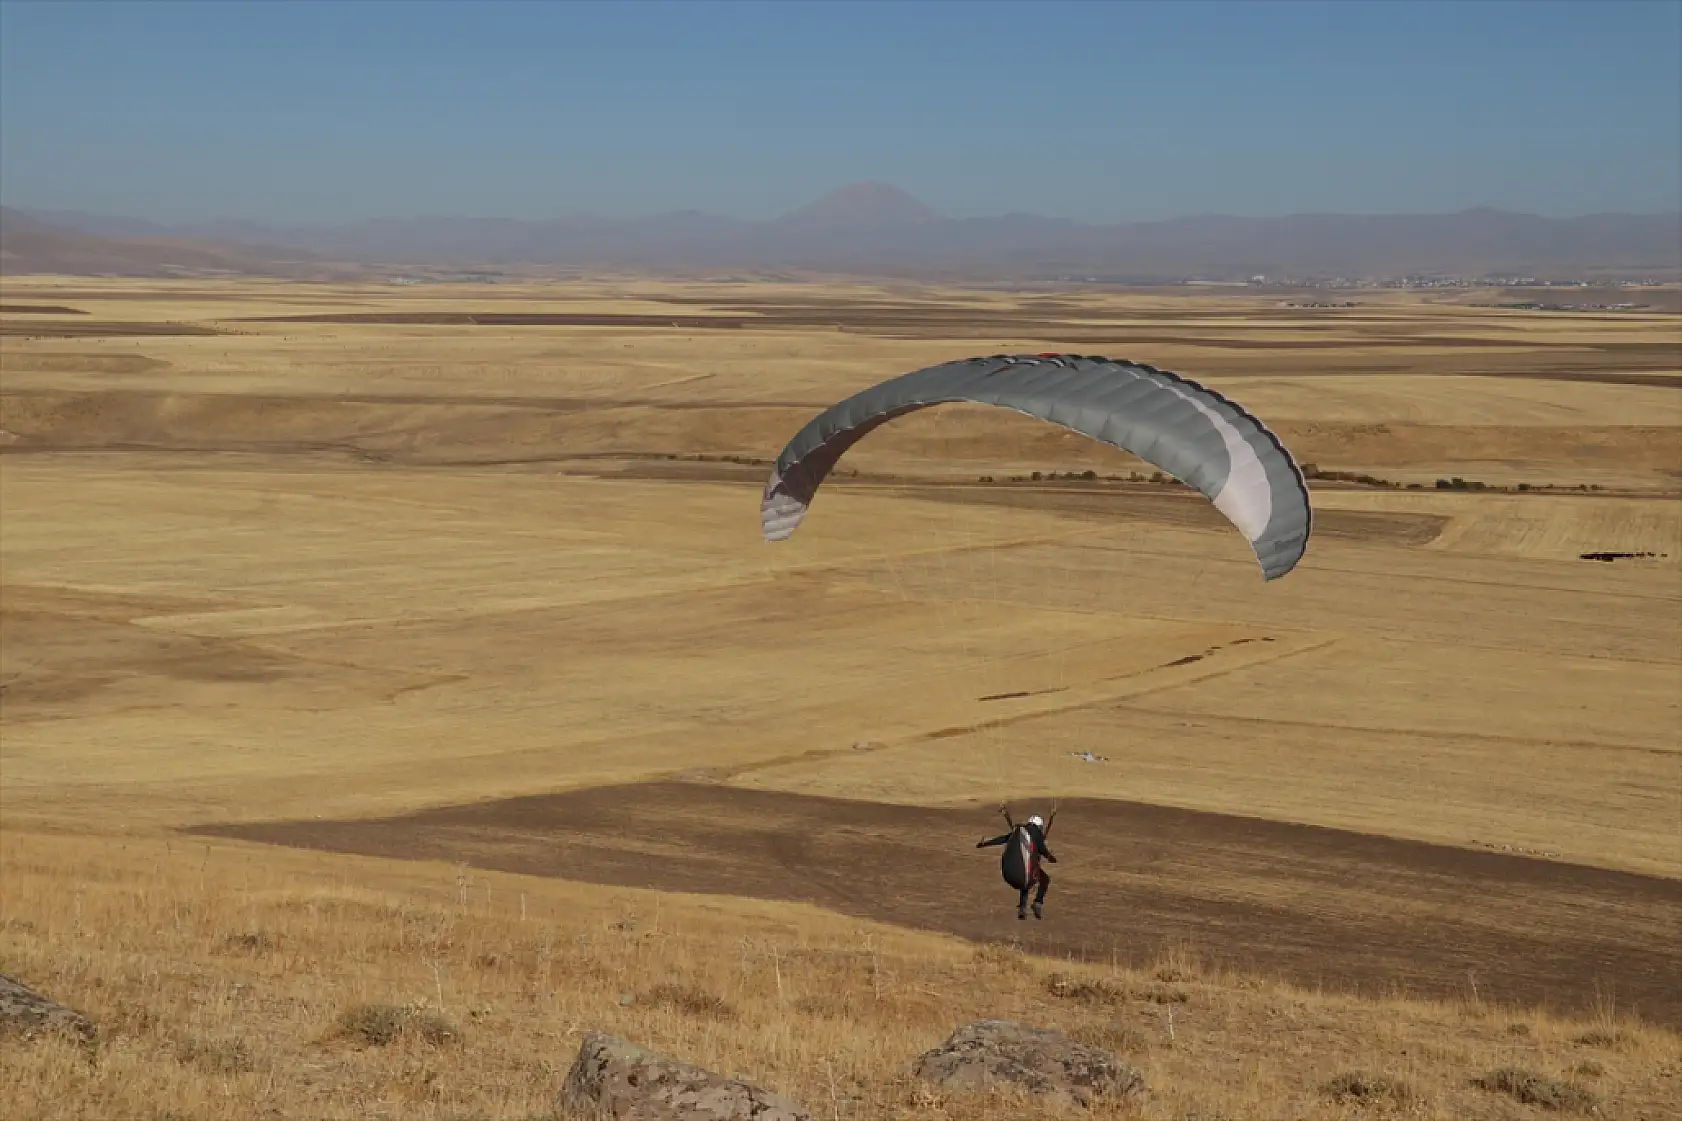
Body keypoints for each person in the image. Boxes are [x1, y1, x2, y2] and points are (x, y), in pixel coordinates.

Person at [976, 808, 1057, 919]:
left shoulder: (1019, 831)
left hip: (1008, 874)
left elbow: (1002, 839)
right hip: (1023, 874)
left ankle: (1022, 908)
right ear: (1039, 826)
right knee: (1043, 879)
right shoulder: (1036, 833)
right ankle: (1037, 903)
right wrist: (1051, 858)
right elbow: (1043, 851)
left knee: (1025, 875)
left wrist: (984, 844)